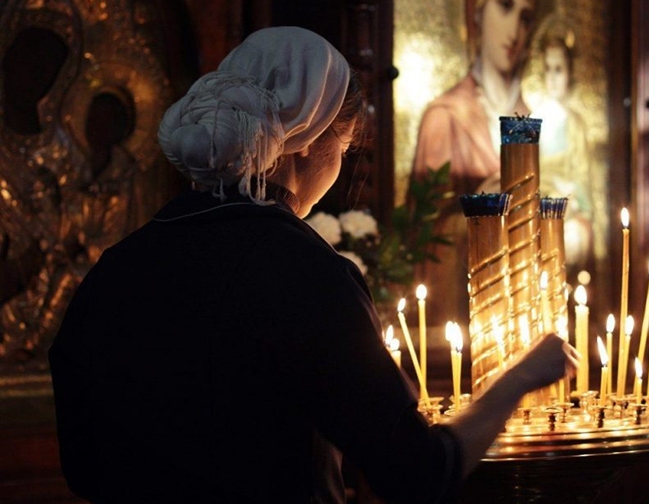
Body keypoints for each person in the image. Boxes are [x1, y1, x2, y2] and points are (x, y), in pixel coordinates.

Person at [49, 27, 579, 504]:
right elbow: (418, 473)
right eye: (344, 148)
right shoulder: (305, 273)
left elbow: (82, 466)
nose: (340, 165)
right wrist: (520, 377)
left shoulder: (116, 268)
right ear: (307, 142)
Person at [410, 0, 538, 324]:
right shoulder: (445, 116)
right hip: (464, 319)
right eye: (505, 7)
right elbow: (423, 236)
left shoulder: (529, 119)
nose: (515, 31)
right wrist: (483, 206)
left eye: (526, 18)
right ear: (477, 13)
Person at [531, 29, 594, 267]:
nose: (553, 77)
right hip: (541, 209)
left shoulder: (576, 123)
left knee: (575, 240)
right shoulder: (533, 121)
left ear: (569, 72)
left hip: (571, 209)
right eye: (548, 69)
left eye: (559, 69)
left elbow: (582, 175)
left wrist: (579, 207)